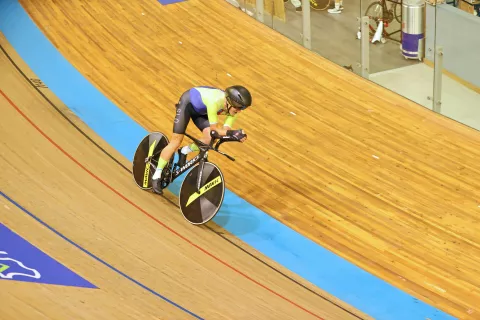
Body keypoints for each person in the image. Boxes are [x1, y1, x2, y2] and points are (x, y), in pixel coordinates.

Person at [151, 85, 252, 194]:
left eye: (242, 108)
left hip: (201, 113)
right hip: (188, 104)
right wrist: (233, 133)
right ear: (229, 102)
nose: (239, 111)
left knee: (210, 138)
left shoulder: (233, 111)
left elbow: (224, 131)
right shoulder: (215, 101)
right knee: (176, 141)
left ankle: (185, 150)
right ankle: (156, 175)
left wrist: (235, 137)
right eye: (239, 107)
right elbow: (215, 129)